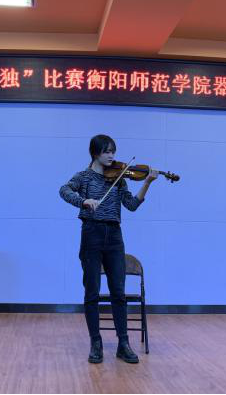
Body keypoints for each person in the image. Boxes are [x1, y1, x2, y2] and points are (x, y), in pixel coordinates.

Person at [59, 134, 158, 364]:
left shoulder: (120, 177)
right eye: (107, 151)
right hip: (91, 233)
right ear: (95, 153)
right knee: (92, 292)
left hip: (114, 235)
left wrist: (147, 183)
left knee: (118, 293)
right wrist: (83, 201)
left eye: (113, 151)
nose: (112, 155)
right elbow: (64, 190)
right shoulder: (83, 177)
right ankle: (96, 343)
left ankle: (123, 344)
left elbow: (131, 205)